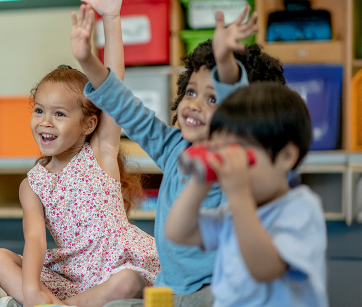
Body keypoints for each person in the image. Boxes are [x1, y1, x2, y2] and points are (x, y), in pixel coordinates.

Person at [74, 5, 285, 306]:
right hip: (170, 293)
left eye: (213, 97)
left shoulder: (237, 156)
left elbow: (236, 106)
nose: (194, 104)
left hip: (218, 290)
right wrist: (87, 60)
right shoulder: (174, 147)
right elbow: (125, 107)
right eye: (191, 92)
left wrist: (225, 61)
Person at [0, 2, 160, 307]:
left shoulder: (100, 151)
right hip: (71, 278)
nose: (45, 121)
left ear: (88, 124)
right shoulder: (33, 185)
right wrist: (31, 290)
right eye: (39, 110)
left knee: (128, 282)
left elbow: (115, 84)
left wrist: (111, 17)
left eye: (59, 114)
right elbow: (35, 240)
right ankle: (41, 302)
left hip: (115, 270)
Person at [166, 82, 327, 307]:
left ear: (286, 156)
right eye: (221, 151)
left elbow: (265, 269)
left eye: (241, 155)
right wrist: (202, 180)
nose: (229, 165)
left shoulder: (301, 209)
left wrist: (239, 196)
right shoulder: (231, 214)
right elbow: (177, 232)